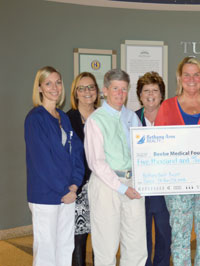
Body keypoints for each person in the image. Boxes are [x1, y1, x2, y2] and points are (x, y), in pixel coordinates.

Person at [155, 57, 200, 265]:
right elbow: (158, 148)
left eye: (196, 74)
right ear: (180, 77)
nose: (192, 79)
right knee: (179, 238)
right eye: (187, 74)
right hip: (177, 184)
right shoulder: (167, 107)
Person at [84, 69, 147, 266]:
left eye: (124, 89)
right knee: (106, 247)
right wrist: (122, 188)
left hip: (133, 183)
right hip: (106, 186)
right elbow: (96, 162)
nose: (120, 94)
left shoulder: (132, 118)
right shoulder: (96, 120)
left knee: (136, 245)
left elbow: (141, 152)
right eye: (115, 89)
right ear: (105, 90)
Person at [25, 66, 84, 266]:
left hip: (68, 194)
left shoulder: (64, 117)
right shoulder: (35, 119)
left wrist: (75, 185)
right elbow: (42, 163)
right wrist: (63, 190)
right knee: (46, 251)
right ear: (39, 88)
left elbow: (76, 152)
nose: (54, 87)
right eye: (48, 83)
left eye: (58, 82)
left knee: (65, 246)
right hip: (46, 195)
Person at [135, 72, 171, 266]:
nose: (150, 94)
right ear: (140, 95)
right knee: (142, 235)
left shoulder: (172, 118)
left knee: (165, 233)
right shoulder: (130, 119)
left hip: (166, 185)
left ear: (161, 95)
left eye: (155, 90)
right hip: (140, 187)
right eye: (146, 90)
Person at [67, 72, 101, 266]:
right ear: (75, 93)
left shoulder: (104, 116)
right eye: (82, 88)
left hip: (101, 185)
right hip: (78, 187)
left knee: (102, 240)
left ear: (97, 91)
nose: (87, 91)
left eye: (91, 87)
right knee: (78, 241)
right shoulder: (66, 119)